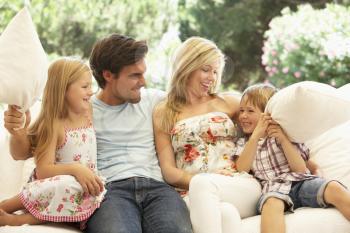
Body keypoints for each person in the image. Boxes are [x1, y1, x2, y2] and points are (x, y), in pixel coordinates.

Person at [4, 34, 192, 233]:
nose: (143, 82)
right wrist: (18, 131)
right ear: (109, 75)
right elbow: (23, 152)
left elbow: (199, 103)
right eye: (135, 75)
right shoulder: (81, 107)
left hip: (158, 189)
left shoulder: (154, 100)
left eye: (143, 73)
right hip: (109, 192)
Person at [153, 36, 262, 233]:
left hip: (237, 184)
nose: (211, 77)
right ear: (186, 66)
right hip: (192, 192)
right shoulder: (164, 111)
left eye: (215, 71)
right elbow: (168, 170)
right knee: (226, 213)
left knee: (204, 185)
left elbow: (268, 115)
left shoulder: (230, 102)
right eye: (205, 70)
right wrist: (204, 182)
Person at [0, 58, 105, 229]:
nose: (91, 92)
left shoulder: (88, 113)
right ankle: (7, 210)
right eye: (85, 87)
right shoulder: (53, 126)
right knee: (66, 186)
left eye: (90, 86)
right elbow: (43, 171)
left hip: (82, 187)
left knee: (75, 193)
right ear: (63, 90)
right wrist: (76, 169)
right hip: (54, 186)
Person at [235, 83, 350, 233]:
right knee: (271, 204)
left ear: (267, 114)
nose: (243, 115)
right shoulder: (244, 143)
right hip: (273, 189)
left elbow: (301, 169)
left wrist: (283, 140)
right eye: (241, 110)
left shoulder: (286, 134)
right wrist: (255, 136)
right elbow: (242, 168)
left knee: (334, 187)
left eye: (250, 111)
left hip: (299, 183)